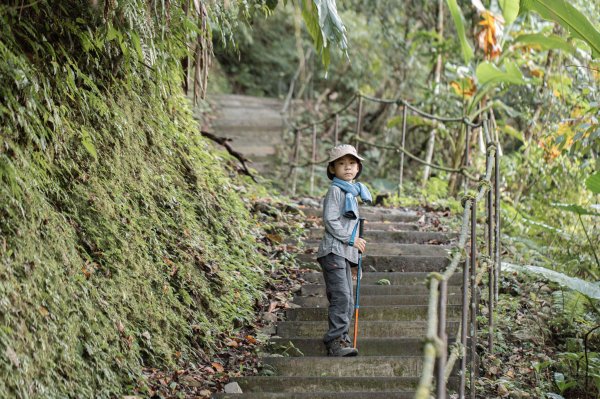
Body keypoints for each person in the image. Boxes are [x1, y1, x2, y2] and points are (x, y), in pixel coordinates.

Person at [316, 144, 372, 357]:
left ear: (358, 167)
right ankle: (335, 341)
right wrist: (351, 239)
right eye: (341, 163)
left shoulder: (353, 192)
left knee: (347, 298)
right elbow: (330, 220)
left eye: (351, 163)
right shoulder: (336, 190)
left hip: (343, 252)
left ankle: (342, 338)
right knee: (341, 296)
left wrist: (354, 255)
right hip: (333, 251)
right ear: (332, 169)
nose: (347, 167)